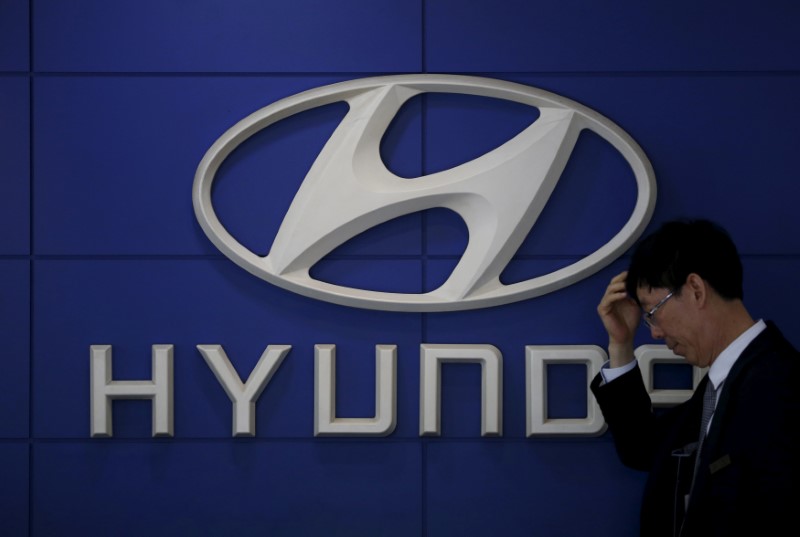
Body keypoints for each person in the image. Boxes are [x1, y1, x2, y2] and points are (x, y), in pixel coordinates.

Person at [591, 219, 799, 537]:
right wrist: (620, 344)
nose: (657, 332)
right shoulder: (722, 385)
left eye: (652, 312)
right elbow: (643, 449)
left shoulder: (780, 386)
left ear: (696, 290)